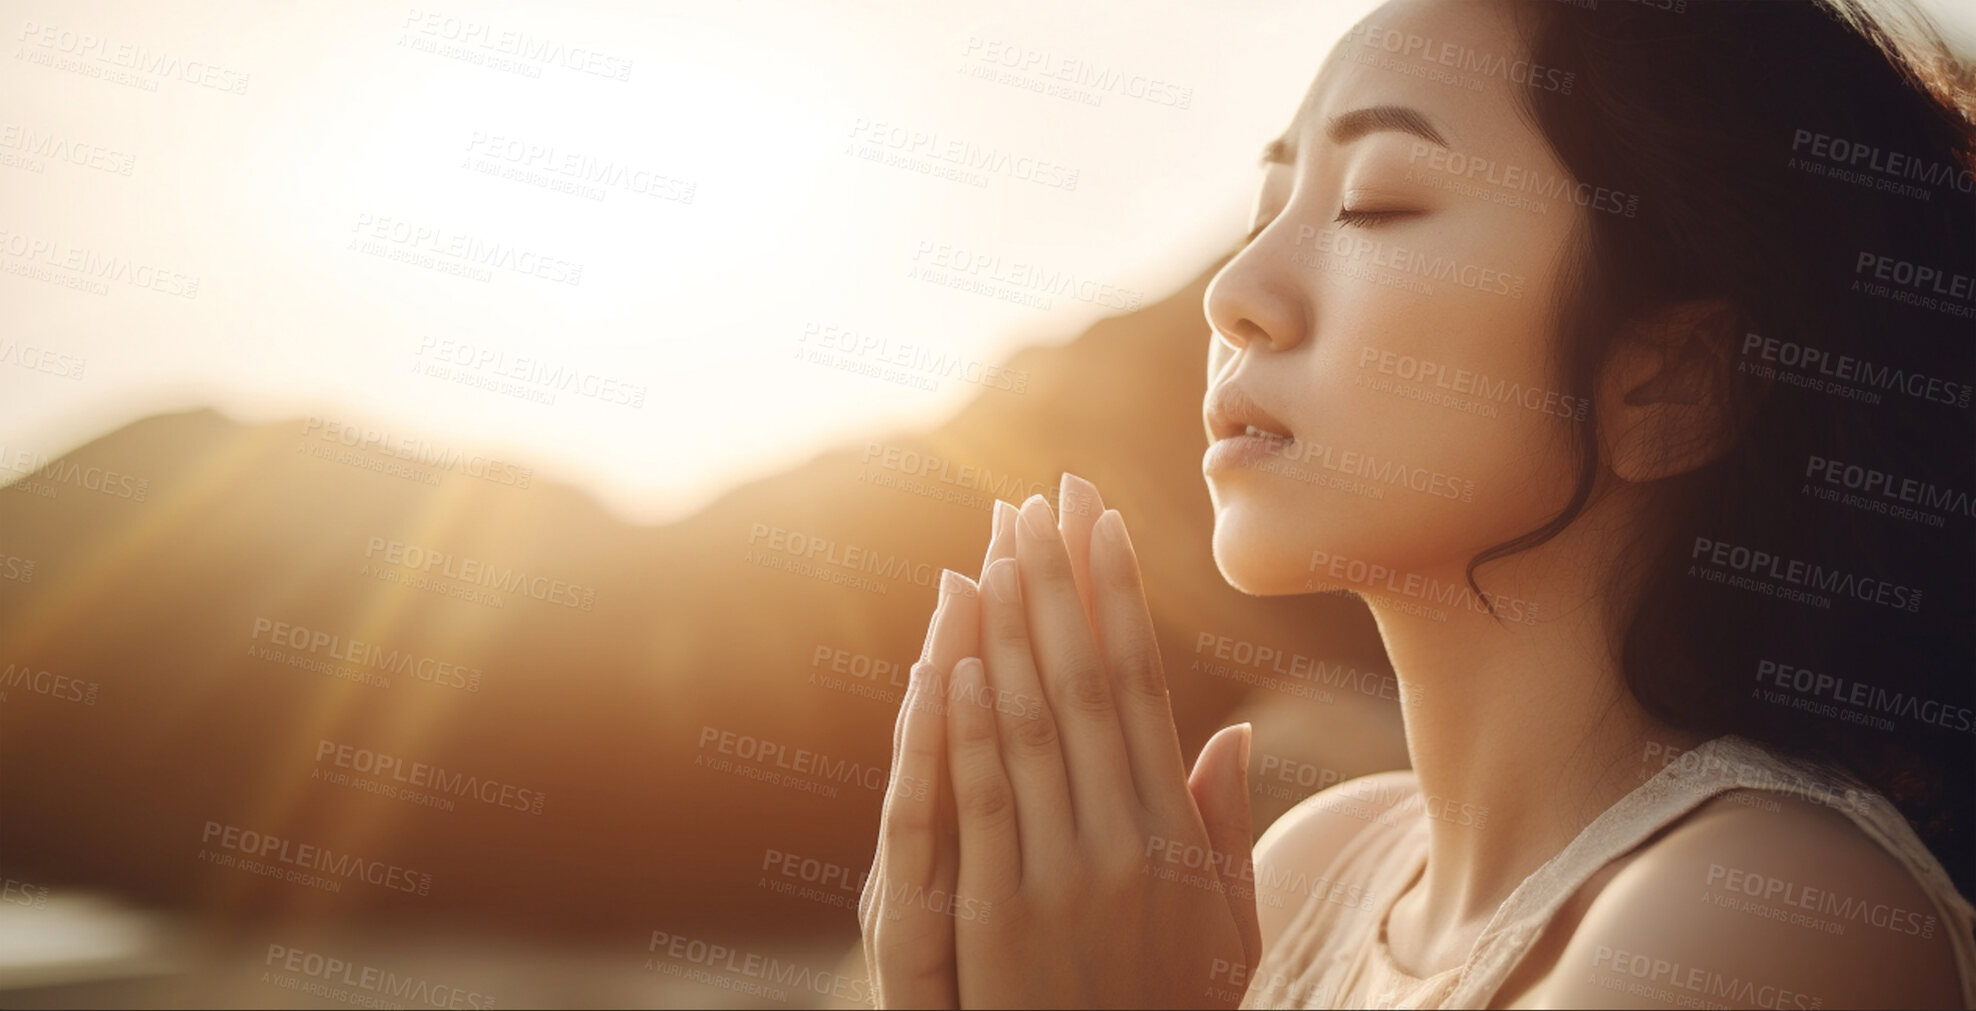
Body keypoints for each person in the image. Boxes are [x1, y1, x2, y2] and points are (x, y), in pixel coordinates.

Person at [860, 0, 1976, 1006]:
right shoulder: (1306, 876)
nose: (1233, 295)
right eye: (1261, 212)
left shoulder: (1763, 915)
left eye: (1374, 203)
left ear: (1668, 381)